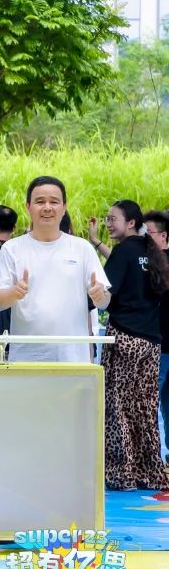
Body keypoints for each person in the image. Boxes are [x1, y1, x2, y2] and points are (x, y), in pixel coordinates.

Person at [0, 176, 110, 362]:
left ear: (64, 207)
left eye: (54, 202)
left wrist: (100, 296)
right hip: (26, 359)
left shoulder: (82, 248)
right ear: (28, 206)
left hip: (73, 359)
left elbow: (104, 302)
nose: (47, 207)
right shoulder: (11, 249)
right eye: (40, 201)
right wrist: (14, 292)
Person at [98, 200, 169, 491]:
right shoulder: (151, 252)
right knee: (145, 408)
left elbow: (105, 293)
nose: (108, 224)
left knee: (117, 406)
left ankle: (121, 474)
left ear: (130, 223)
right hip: (151, 342)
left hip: (125, 338)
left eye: (112, 219)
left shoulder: (123, 251)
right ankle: (150, 472)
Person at [145, 211, 169, 462]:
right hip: (158, 345)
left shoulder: (158, 265)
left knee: (151, 402)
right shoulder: (150, 262)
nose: (144, 237)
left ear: (163, 236)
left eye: (148, 233)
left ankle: (152, 457)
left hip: (161, 346)